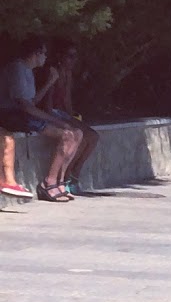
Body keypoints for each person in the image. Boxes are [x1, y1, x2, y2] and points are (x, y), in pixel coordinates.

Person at [0, 39, 82, 200]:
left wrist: (50, 82)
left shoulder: (28, 70)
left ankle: (59, 182)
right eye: (44, 53)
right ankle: (49, 183)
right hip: (11, 115)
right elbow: (26, 107)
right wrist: (57, 122)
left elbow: (32, 102)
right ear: (36, 53)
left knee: (77, 133)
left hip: (23, 113)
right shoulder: (17, 69)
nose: (45, 57)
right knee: (67, 135)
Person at [36, 41, 99, 191]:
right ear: (60, 56)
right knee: (80, 137)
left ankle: (75, 174)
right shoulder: (52, 73)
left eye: (75, 56)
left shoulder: (68, 74)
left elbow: (67, 100)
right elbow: (48, 106)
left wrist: (73, 118)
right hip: (53, 113)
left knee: (93, 136)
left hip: (64, 114)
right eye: (70, 56)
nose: (74, 60)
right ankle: (65, 177)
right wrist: (61, 121)